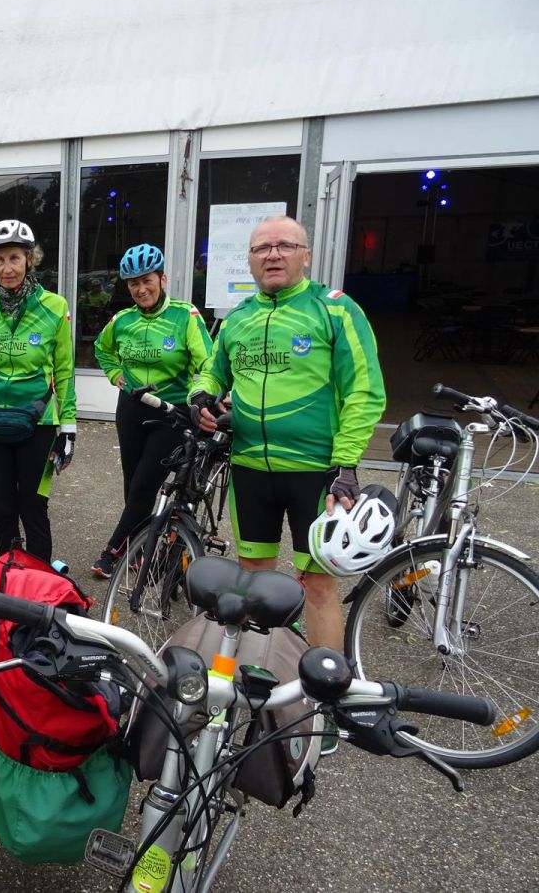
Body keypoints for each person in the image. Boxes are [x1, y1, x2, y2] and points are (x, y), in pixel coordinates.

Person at [190, 215, 385, 689]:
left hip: (314, 472)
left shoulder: (335, 310)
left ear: (306, 255)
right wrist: (202, 395)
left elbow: (364, 390)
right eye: (262, 248)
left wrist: (346, 463)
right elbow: (212, 370)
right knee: (253, 581)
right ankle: (260, 686)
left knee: (316, 584)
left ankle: (326, 695)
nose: (273, 254)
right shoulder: (238, 317)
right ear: (251, 261)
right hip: (249, 468)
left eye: (284, 245)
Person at [0, 220, 76, 562]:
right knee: (3, 510)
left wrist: (69, 427)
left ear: (29, 259)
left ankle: (38, 585)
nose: (7, 268)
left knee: (33, 509)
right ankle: (8, 582)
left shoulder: (54, 306)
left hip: (39, 424)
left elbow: (64, 371)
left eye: (14, 258)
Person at [90, 244, 212, 578]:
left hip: (170, 412)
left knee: (144, 485)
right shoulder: (122, 320)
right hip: (131, 409)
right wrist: (115, 373)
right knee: (133, 485)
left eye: (147, 280)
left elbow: (208, 361)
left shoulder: (185, 316)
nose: (141, 289)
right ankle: (140, 549)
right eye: (134, 283)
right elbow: (101, 349)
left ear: (162, 279)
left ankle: (112, 551)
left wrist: (202, 394)